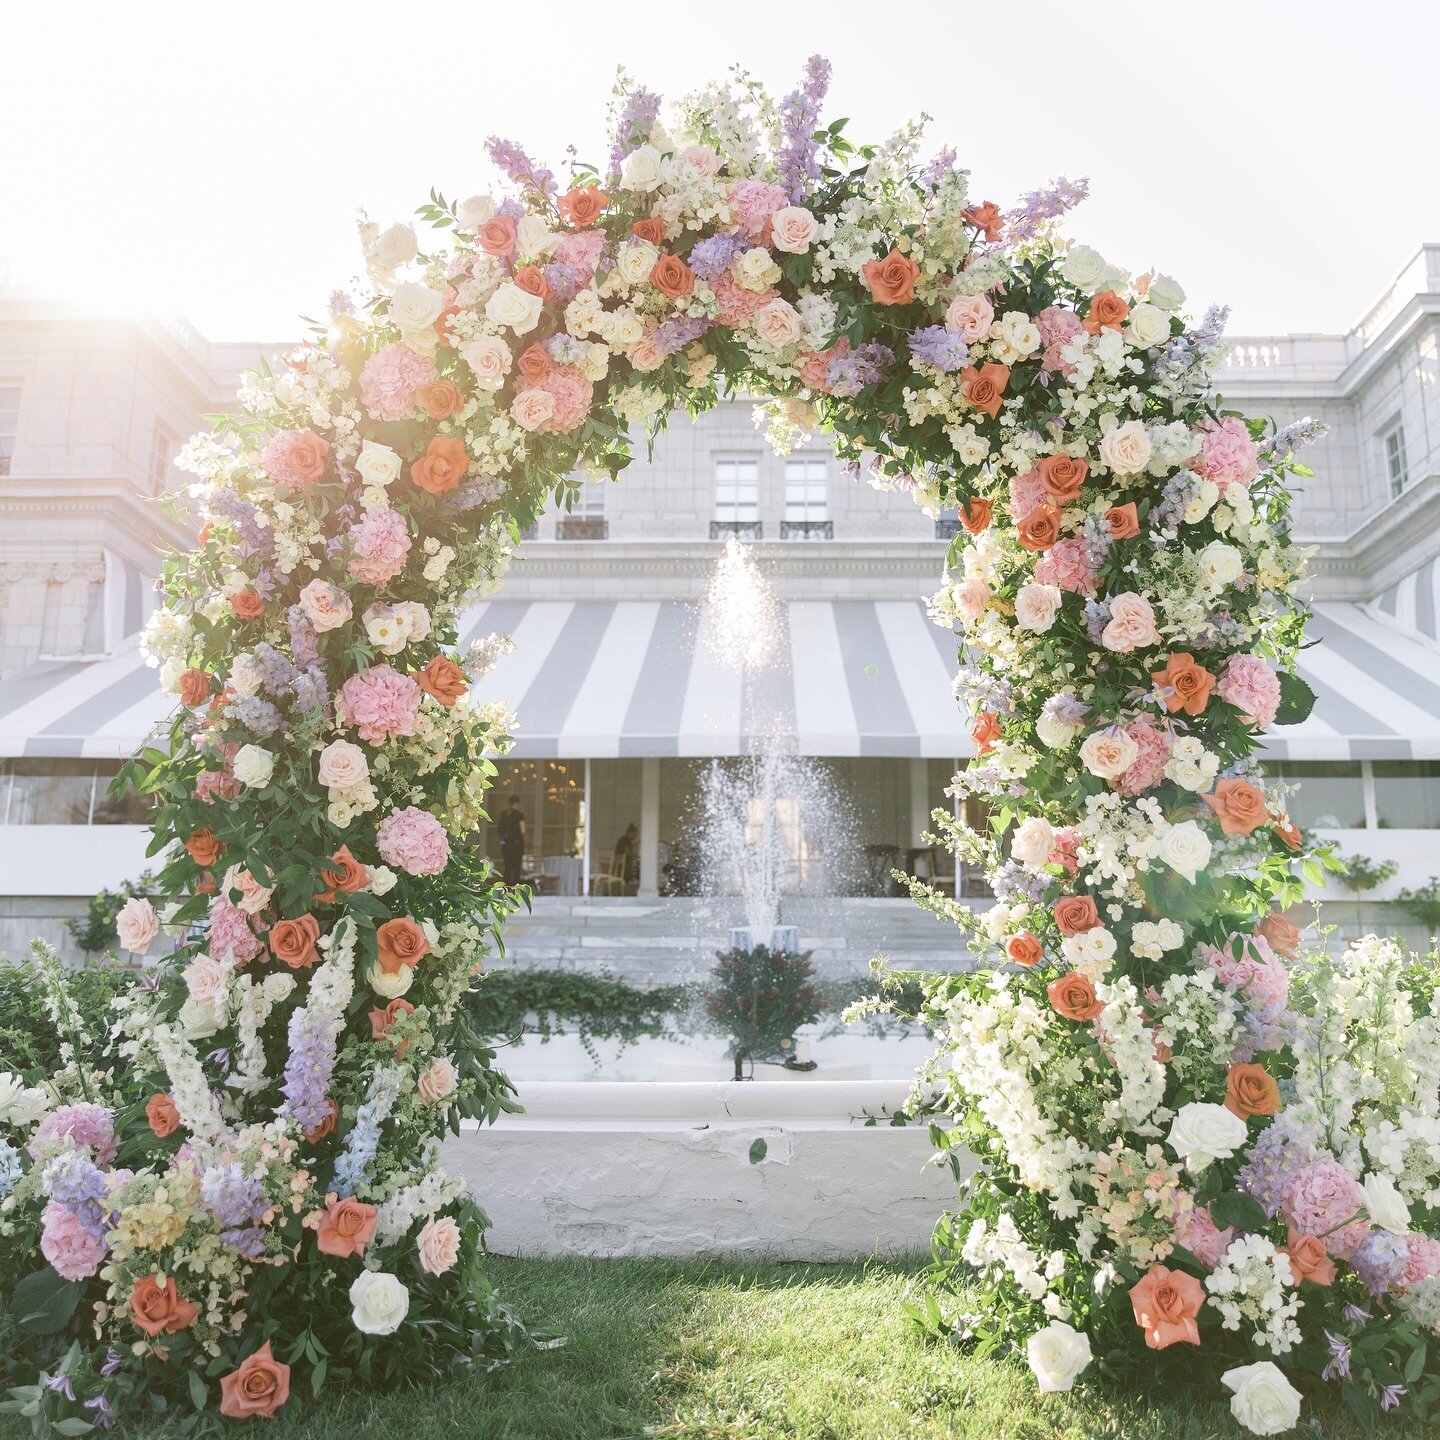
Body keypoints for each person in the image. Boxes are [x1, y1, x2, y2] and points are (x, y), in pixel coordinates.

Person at [497, 794, 526, 887]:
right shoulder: (520, 815)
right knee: (517, 867)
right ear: (517, 804)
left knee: (507, 866)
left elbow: (500, 830)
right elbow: (523, 830)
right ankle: (516, 888)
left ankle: (505, 887)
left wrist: (502, 843)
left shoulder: (504, 815)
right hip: (517, 844)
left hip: (506, 844)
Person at [612, 822, 639, 892]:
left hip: (623, 863)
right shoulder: (625, 840)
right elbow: (627, 852)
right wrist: (636, 857)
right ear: (630, 833)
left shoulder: (625, 839)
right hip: (622, 865)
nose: (635, 837)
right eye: (634, 834)